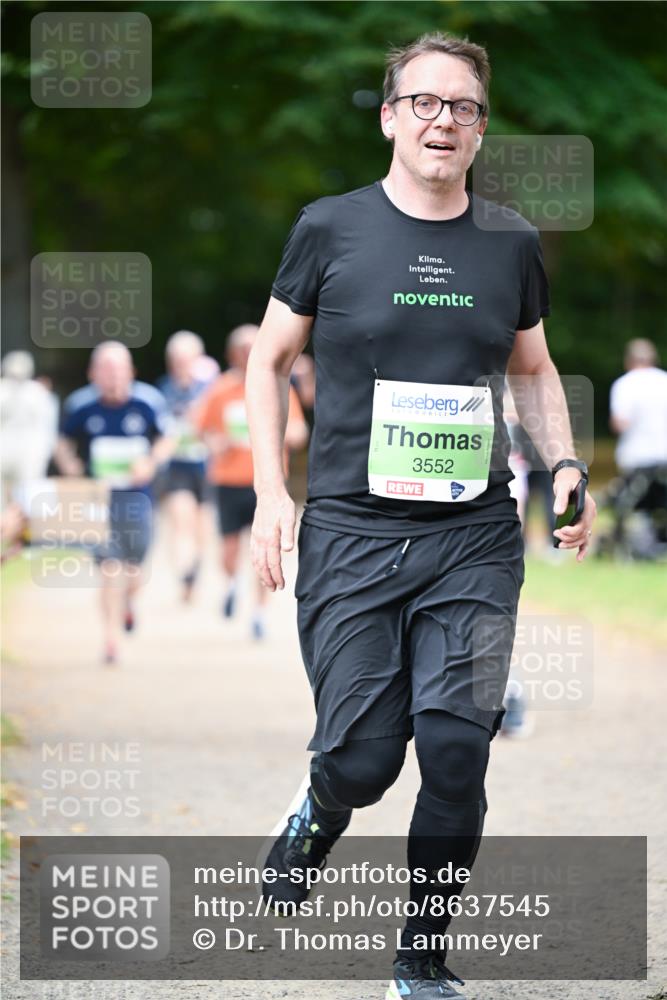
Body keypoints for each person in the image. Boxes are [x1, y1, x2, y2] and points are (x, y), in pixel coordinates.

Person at [246, 32, 596, 1000]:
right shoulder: (330, 229)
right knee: (362, 758)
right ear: (392, 116)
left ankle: (421, 956)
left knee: (452, 747)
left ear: (482, 129)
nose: (445, 121)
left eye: (465, 108)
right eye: (426, 103)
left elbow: (531, 370)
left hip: (473, 535)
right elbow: (267, 361)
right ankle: (320, 806)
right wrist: (274, 493)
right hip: (353, 532)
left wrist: (563, 460)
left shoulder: (510, 242)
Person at [54, 341, 173, 665]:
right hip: (99, 501)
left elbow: (166, 439)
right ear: (93, 374)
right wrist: (72, 468)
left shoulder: (148, 401)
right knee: (108, 569)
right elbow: (62, 443)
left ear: (130, 371)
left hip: (138, 500)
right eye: (105, 370)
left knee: (134, 572)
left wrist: (149, 463)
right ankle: (110, 640)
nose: (112, 376)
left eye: (118, 369)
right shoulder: (81, 405)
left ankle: (128, 604)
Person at [195, 324, 308, 640]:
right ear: (232, 354)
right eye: (242, 349)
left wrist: (276, 436)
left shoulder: (278, 387)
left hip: (267, 485)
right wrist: (216, 442)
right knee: (229, 550)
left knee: (265, 551)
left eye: (253, 346)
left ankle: (259, 614)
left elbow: (299, 433)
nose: (248, 354)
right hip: (229, 480)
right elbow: (202, 430)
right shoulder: (219, 391)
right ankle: (231, 583)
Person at [157, 330, 215, 602]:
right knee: (181, 519)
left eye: (187, 358)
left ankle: (194, 573)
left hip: (206, 465)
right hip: (178, 466)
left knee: (202, 528)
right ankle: (183, 573)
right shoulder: (163, 390)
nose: (181, 364)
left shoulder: (210, 388)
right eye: (176, 359)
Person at [0, 351, 58, 507]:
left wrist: (43, 453)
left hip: (29, 455)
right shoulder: (2, 392)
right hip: (4, 452)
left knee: (29, 497)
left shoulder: (38, 394)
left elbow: (47, 428)